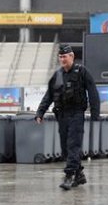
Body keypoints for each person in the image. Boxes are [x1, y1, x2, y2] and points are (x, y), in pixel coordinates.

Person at [35, 44, 101, 190]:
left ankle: (69, 176)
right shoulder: (57, 75)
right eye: (60, 57)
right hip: (62, 115)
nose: (62, 59)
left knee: (73, 144)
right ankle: (79, 175)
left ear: (72, 56)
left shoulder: (81, 72)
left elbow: (93, 92)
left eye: (64, 56)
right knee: (65, 147)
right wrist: (40, 112)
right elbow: (49, 96)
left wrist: (95, 114)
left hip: (76, 113)